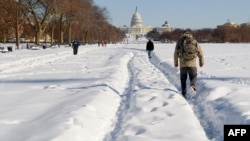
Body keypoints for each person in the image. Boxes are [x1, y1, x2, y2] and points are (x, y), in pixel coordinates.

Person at [174, 30, 204, 99]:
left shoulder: (180, 41)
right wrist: (201, 62)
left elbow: (176, 53)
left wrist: (176, 62)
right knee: (193, 76)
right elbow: (200, 52)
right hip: (192, 63)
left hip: (183, 63)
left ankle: (184, 94)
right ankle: (192, 84)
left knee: (183, 79)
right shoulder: (194, 41)